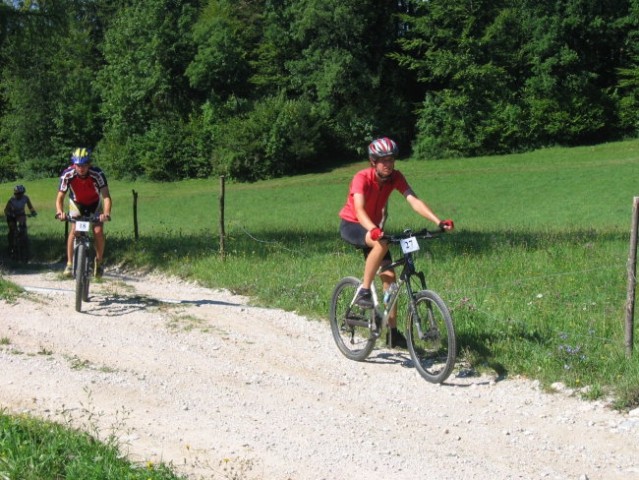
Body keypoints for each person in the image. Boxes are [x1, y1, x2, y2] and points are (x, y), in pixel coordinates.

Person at [338, 137, 454, 348]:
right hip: (353, 225)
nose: (388, 164)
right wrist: (373, 229)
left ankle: (392, 333)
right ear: (373, 161)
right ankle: (364, 290)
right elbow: (359, 209)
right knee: (382, 244)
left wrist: (438, 221)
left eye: (391, 159)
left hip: (374, 230)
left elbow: (413, 199)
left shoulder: (395, 178)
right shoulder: (361, 177)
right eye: (383, 160)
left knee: (390, 280)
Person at [55, 148, 112, 278]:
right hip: (77, 204)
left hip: (94, 204)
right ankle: (69, 264)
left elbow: (106, 196)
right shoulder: (67, 174)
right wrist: (60, 212)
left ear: (89, 164)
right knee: (74, 230)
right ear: (74, 164)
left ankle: (99, 261)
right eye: (78, 165)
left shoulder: (97, 174)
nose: (81, 168)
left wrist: (106, 213)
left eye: (84, 165)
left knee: (98, 231)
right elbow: (60, 198)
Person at [4, 184, 37, 254]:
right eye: (18, 193)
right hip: (11, 216)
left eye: (21, 193)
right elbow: (6, 210)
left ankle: (24, 241)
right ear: (15, 193)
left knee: (23, 227)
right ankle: (11, 245)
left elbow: (30, 206)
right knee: (12, 229)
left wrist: (33, 212)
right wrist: (10, 214)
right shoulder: (11, 200)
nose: (19, 195)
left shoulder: (26, 198)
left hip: (21, 215)